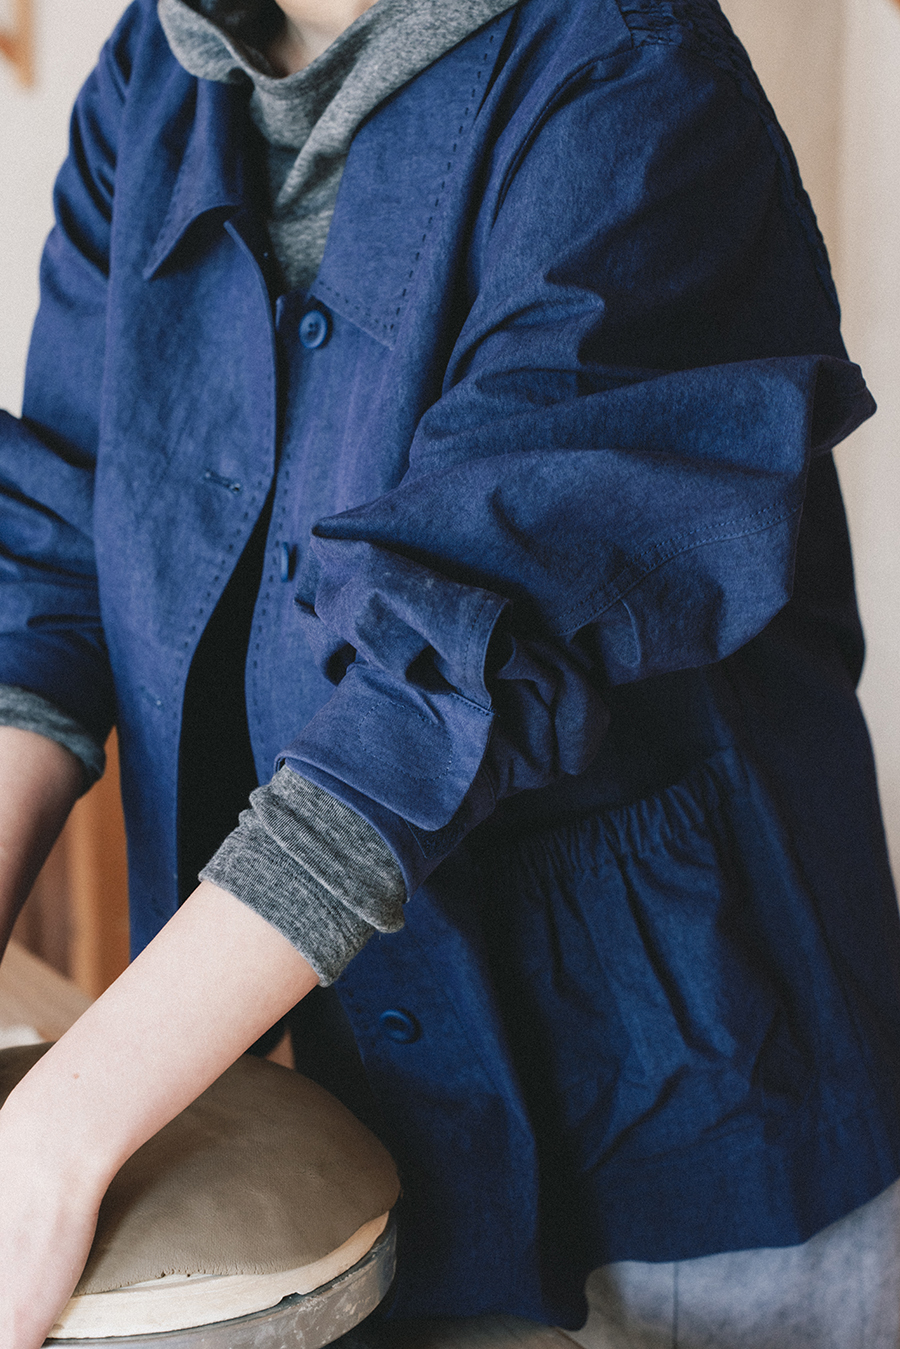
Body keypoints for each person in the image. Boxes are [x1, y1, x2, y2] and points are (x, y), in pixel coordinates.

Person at [1, 0, 899, 1345]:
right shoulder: (155, 72)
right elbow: (52, 561)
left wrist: (70, 1120)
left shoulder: (632, 74)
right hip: (355, 1072)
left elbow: (449, 674)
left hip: (685, 1086)